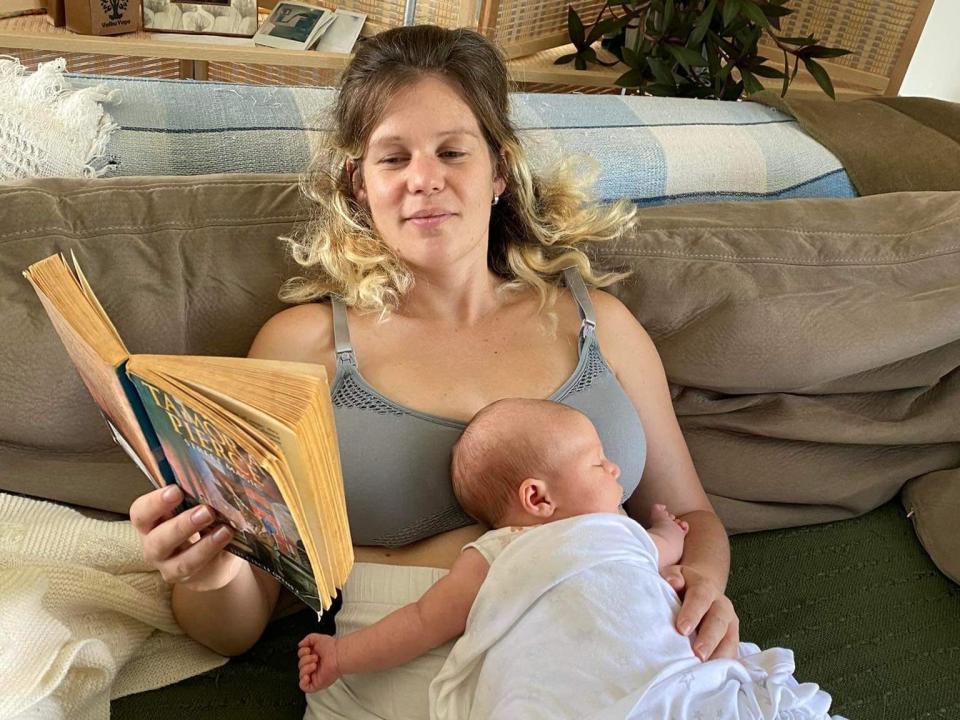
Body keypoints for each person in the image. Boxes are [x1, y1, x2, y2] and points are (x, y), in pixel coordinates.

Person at [128, 21, 739, 703]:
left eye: (453, 150)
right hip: (400, 677)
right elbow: (239, 623)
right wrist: (204, 575)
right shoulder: (301, 351)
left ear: (501, 169)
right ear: (358, 184)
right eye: (393, 158)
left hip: (618, 664)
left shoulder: (602, 324)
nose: (425, 179)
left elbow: (692, 515)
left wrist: (706, 587)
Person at [297, 398, 689, 694]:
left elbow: (660, 548)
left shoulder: (616, 533)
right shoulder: (501, 553)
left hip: (655, 667)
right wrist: (341, 655)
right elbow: (422, 622)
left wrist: (667, 528)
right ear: (537, 498)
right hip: (566, 689)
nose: (614, 468)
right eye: (598, 462)